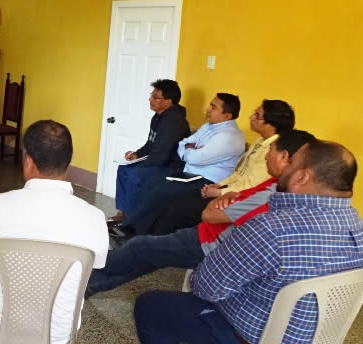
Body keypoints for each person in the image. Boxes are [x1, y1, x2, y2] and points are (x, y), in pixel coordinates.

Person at [134, 140, 363, 344]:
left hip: (247, 336)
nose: (285, 169)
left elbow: (205, 287)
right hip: (318, 336)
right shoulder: (358, 226)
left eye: (291, 164)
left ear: (302, 177)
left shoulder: (270, 227)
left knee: (150, 305)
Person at [88, 130, 315, 295]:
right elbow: (232, 198)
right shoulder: (274, 184)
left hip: (211, 242)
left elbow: (210, 215)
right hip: (213, 234)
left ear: (284, 157)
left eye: (271, 152)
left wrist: (223, 199)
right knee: (149, 255)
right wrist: (226, 196)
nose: (266, 156)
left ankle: (85, 274)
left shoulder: (273, 192)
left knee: (141, 247)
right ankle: (90, 284)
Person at [0, 120, 109, 344]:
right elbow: (87, 274)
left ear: (28, 160)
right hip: (56, 336)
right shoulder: (94, 217)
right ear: (70, 159)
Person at [145, 99, 295, 235]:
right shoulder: (260, 141)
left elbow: (250, 186)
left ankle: (155, 245)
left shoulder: (273, 150)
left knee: (176, 208)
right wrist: (218, 185)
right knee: (164, 194)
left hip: (240, 199)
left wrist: (219, 192)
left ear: (271, 124)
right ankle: (147, 238)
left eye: (257, 115)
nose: (251, 117)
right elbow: (239, 173)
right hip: (224, 188)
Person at [113, 93, 245, 236]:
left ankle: (132, 229)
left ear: (227, 116)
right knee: (152, 184)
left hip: (208, 181)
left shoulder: (229, 136)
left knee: (161, 191)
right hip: (189, 175)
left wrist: (190, 149)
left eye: (213, 107)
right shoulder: (209, 126)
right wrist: (191, 148)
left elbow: (194, 158)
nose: (208, 109)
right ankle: (133, 225)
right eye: (210, 105)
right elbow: (183, 143)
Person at [108, 79, 190, 223]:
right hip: (157, 160)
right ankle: (123, 212)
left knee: (135, 175)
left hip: (170, 165)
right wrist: (137, 154)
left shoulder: (174, 121)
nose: (150, 99)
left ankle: (131, 220)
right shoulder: (157, 117)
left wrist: (141, 165)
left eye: (155, 97)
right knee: (124, 169)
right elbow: (150, 144)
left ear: (168, 101)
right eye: (151, 95)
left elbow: (162, 154)